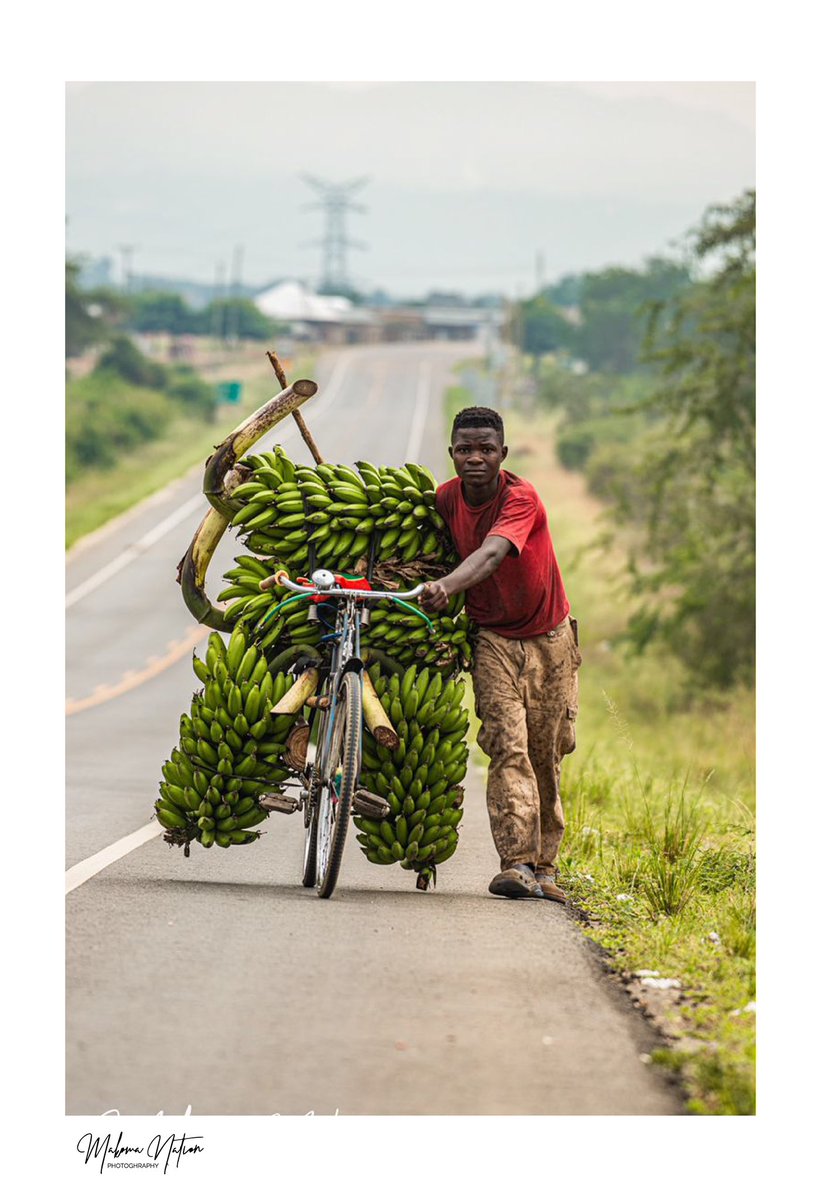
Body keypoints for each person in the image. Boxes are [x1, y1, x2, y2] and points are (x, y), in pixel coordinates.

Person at [419, 406, 581, 902]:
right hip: (491, 639)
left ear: (502, 455)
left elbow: (491, 554)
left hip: (550, 638)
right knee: (506, 747)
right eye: (465, 449)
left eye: (485, 449)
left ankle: (544, 865)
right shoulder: (444, 501)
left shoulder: (521, 498)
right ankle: (515, 863)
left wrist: (447, 586)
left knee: (545, 755)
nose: (475, 458)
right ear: (452, 454)